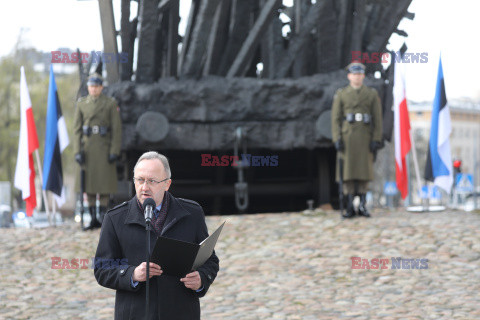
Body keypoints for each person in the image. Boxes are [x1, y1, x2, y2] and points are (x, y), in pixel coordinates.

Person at [94, 151, 219, 319]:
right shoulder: (115, 218)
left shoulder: (192, 213)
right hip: (135, 313)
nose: (144, 187)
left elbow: (210, 260)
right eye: (140, 180)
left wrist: (201, 279)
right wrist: (132, 274)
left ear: (167, 184)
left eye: (151, 181)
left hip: (181, 312)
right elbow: (102, 268)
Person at [331, 62, 383, 218]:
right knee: (347, 172)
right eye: (354, 74)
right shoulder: (341, 94)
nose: (357, 77)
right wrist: (336, 138)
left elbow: (377, 118)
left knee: (363, 171)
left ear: (363, 76)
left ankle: (362, 204)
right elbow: (335, 118)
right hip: (347, 137)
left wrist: (376, 138)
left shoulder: (371, 94)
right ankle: (348, 205)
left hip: (364, 136)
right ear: (349, 76)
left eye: (360, 74)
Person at [73, 73, 122, 230]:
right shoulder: (82, 104)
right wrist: (77, 151)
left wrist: (114, 150)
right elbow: (77, 130)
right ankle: (93, 216)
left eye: (96, 86)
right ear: (88, 87)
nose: (93, 89)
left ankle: (102, 216)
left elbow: (116, 129)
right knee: (90, 184)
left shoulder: (109, 103)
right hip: (88, 148)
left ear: (101, 87)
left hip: (104, 146)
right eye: (91, 86)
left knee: (105, 184)